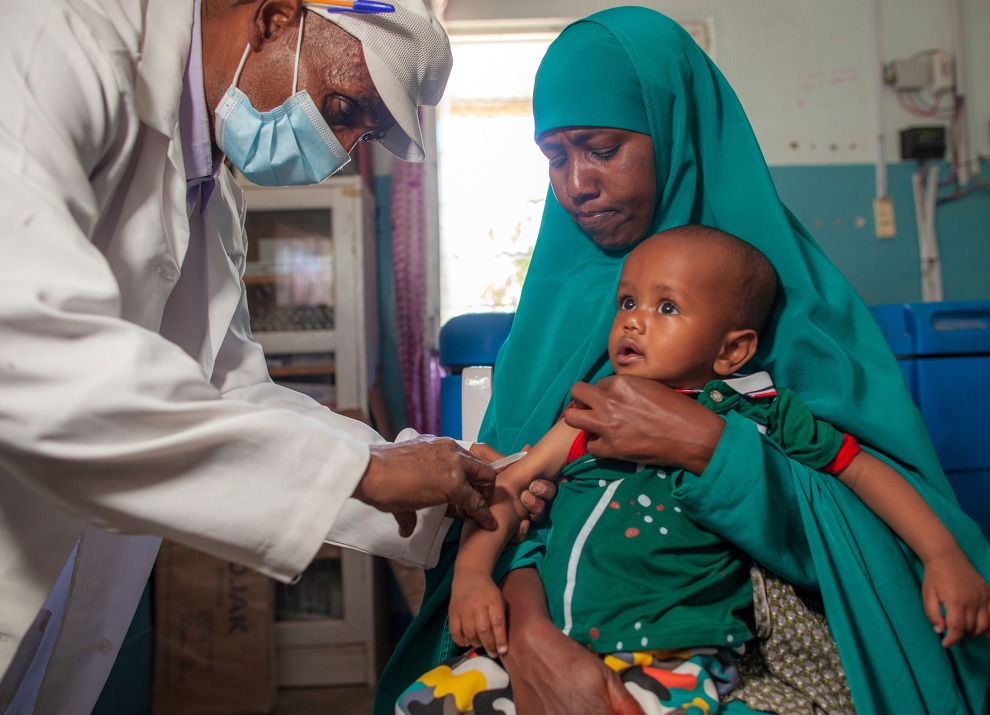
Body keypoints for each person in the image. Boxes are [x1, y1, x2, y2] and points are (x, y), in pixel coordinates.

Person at [375, 8, 990, 715]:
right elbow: (517, 495)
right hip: (542, 630)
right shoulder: (556, 312)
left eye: (602, 148)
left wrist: (710, 446)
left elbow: (872, 537)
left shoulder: (786, 308)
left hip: (732, 652)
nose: (576, 183)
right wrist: (534, 637)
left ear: (674, 130)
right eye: (555, 156)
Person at [0, 0, 553, 710]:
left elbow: (230, 391)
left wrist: (443, 484)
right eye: (345, 106)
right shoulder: (64, 35)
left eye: (366, 132)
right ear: (274, 18)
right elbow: (27, 344)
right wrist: (362, 471)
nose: (345, 147)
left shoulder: (208, 187)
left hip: (49, 567)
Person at [395, 225, 990, 713]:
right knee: (424, 702)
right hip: (555, 639)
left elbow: (859, 470)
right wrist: (473, 574)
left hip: (677, 656)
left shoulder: (762, 414)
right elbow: (509, 484)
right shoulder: (591, 410)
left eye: (667, 306)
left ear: (732, 351)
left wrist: (940, 555)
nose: (632, 320)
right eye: (627, 301)